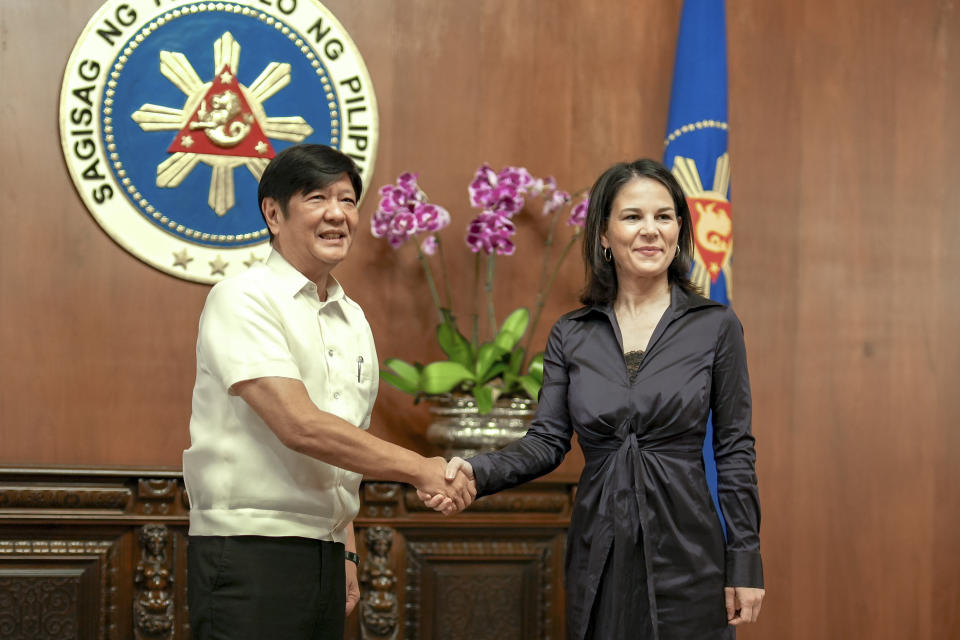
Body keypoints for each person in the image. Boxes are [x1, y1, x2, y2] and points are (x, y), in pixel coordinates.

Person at [431, 158, 764, 639]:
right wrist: (474, 471)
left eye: (664, 216)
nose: (650, 230)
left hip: (690, 552)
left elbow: (734, 450)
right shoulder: (573, 333)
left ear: (679, 230)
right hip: (599, 548)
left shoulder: (716, 326)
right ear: (604, 235)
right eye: (632, 217)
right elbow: (546, 442)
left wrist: (745, 562)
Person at [183, 144, 472, 640]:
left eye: (348, 199)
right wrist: (422, 469)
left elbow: (343, 448)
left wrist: (347, 548)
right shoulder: (242, 298)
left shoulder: (352, 317)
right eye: (317, 198)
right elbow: (300, 426)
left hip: (324, 553)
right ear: (273, 213)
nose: (338, 213)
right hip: (250, 552)